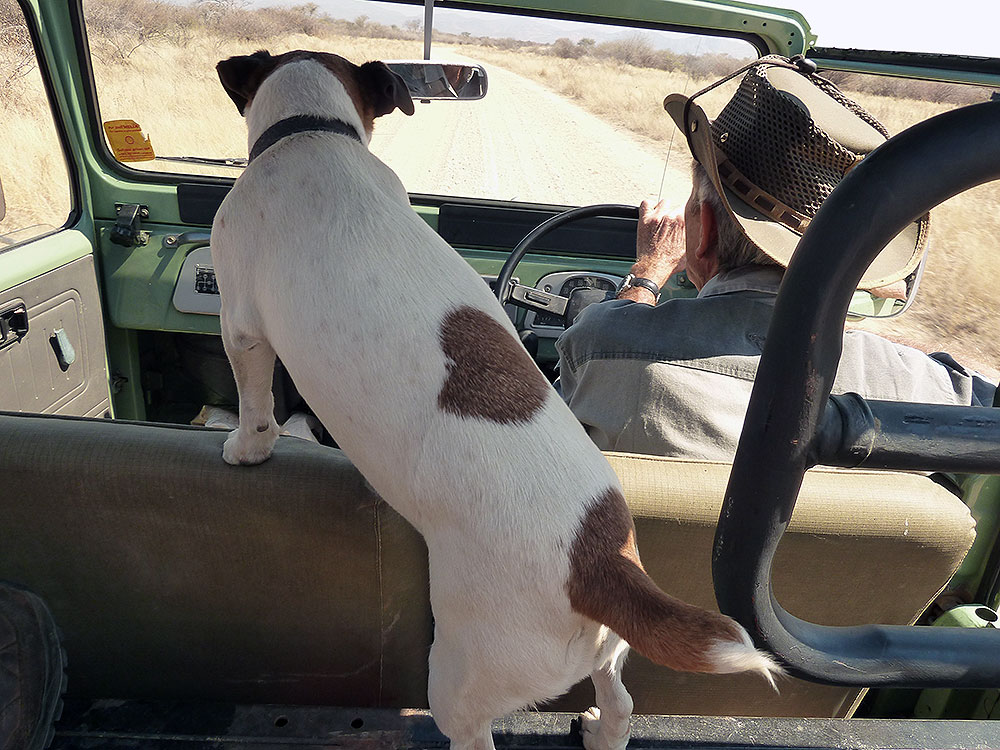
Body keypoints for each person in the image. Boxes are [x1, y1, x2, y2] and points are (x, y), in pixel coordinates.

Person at [556, 56, 994, 460]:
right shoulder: (932, 390)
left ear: (705, 230)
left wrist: (648, 274)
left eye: (692, 205)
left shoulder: (601, 343)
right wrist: (847, 285)